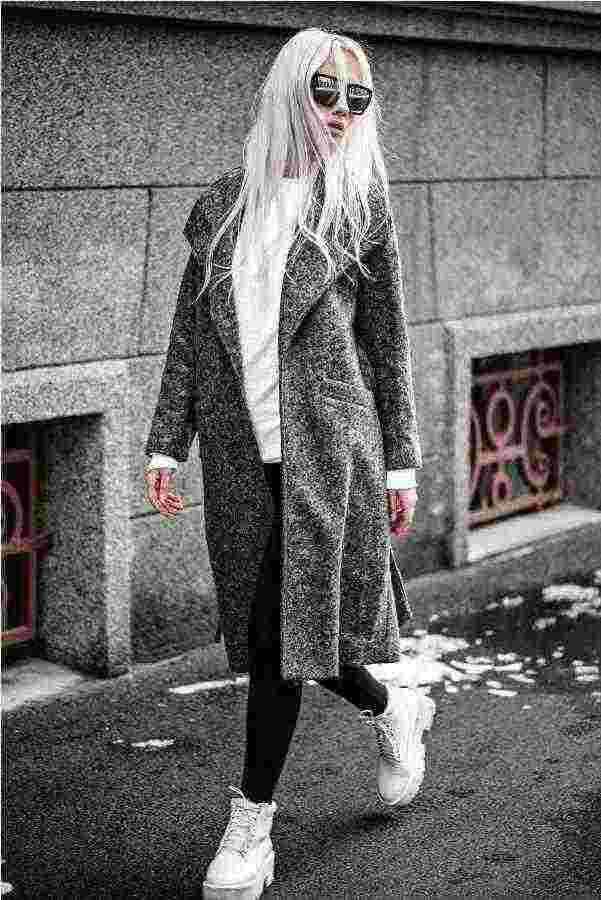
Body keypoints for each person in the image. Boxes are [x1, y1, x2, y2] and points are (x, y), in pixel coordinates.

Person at [144, 26, 435, 900]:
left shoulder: (358, 206)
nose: (342, 111)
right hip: (243, 458)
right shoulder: (222, 206)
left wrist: (401, 461)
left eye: (358, 97)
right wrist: (167, 441)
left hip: (328, 452)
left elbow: (387, 343)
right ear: (287, 91)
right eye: (325, 91)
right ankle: (392, 706)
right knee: (296, 633)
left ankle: (251, 825)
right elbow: (191, 337)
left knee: (279, 640)